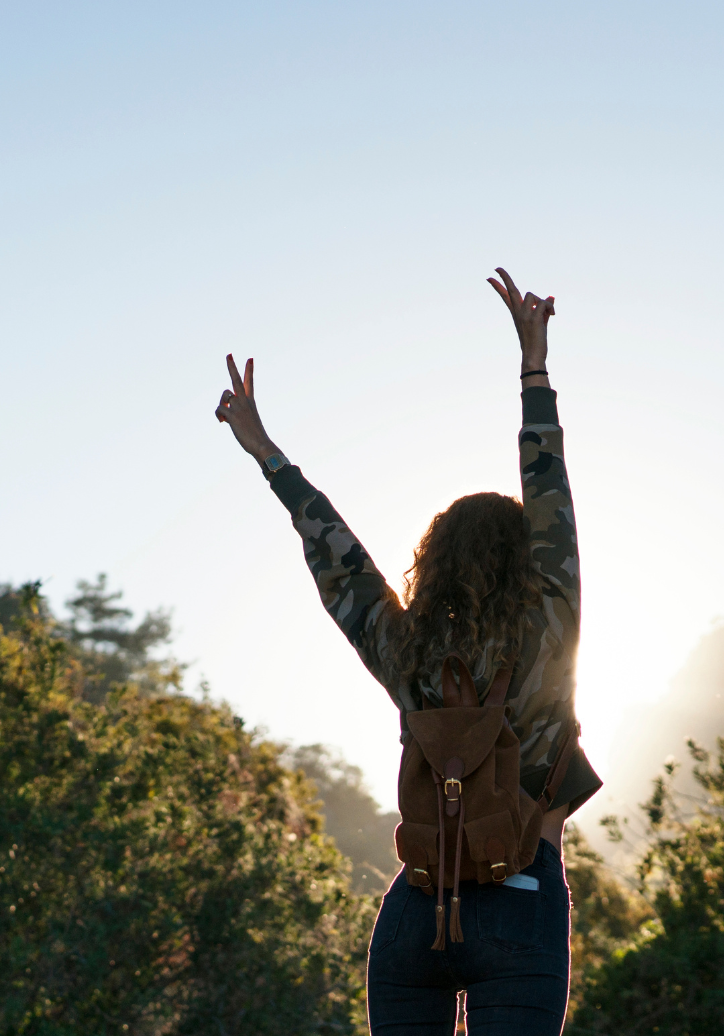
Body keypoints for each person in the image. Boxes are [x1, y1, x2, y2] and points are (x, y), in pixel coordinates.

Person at [214, 268, 600, 1035]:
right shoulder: (548, 623)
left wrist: (267, 455)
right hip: (520, 906)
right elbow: (548, 486)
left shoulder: (407, 648)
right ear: (524, 559)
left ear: (438, 562)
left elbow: (338, 558)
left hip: (412, 915)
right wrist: (534, 368)